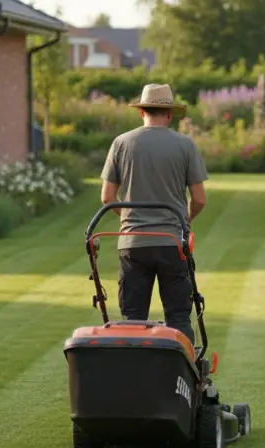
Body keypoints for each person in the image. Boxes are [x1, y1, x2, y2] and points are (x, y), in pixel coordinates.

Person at [100, 83, 209, 345]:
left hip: (133, 243)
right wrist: (184, 221)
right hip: (171, 242)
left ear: (141, 112)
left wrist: (129, 220)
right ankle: (184, 375)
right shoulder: (185, 145)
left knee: (133, 319)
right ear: (170, 114)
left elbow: (107, 197)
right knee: (179, 316)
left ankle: (134, 376)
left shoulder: (121, 143)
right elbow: (199, 199)